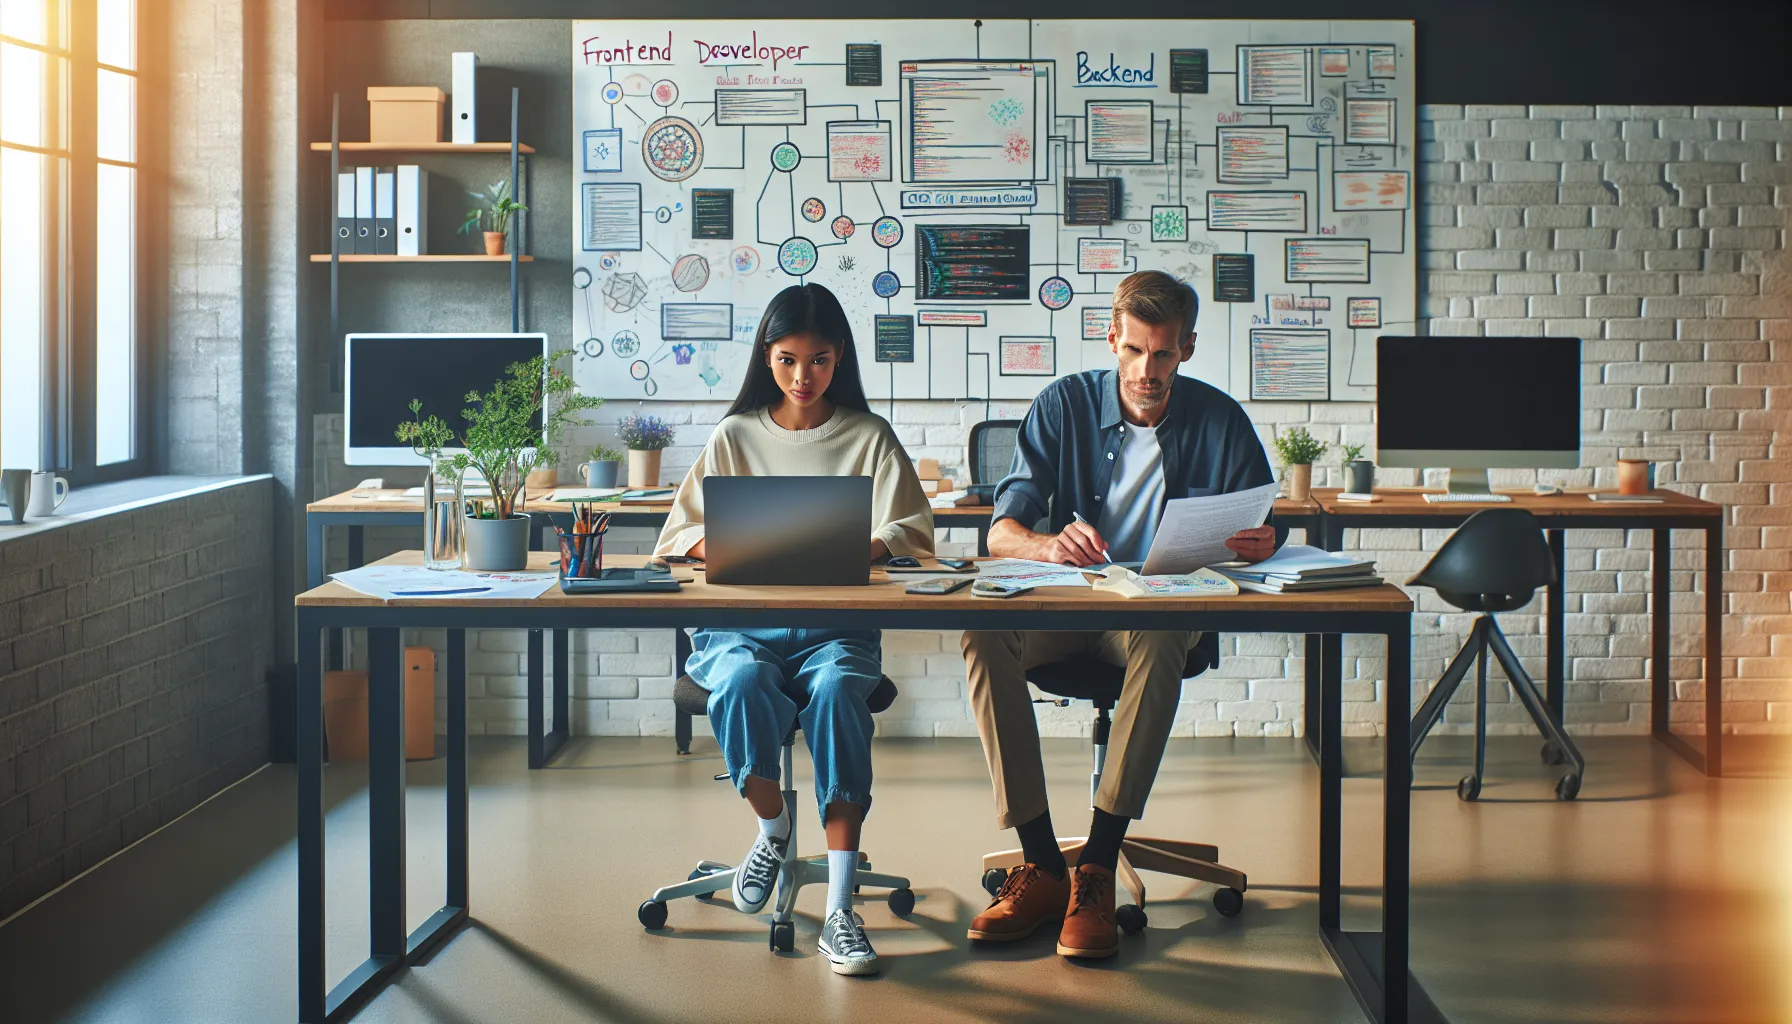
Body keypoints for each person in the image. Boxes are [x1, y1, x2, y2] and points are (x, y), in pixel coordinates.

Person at [959, 270, 1284, 960]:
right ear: (1112, 339)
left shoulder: (1221, 420)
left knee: (1162, 634)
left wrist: (1266, 538)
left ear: (1187, 349)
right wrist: (1045, 544)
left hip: (1158, 612)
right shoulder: (1063, 405)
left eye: (1163, 354)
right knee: (981, 630)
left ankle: (1098, 867)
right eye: (1134, 351)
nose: (1147, 370)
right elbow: (1000, 532)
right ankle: (1044, 865)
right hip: (1070, 602)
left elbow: (1262, 522)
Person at [655, 282, 932, 976]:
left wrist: (860, 544)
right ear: (766, 358)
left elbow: (914, 532)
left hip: (836, 627)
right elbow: (678, 531)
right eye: (786, 360)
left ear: (839, 360)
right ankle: (773, 833)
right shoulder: (736, 435)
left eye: (818, 360)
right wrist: (721, 546)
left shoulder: (868, 436)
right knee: (744, 681)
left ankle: (841, 910)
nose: (802, 377)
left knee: (839, 693)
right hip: (740, 628)